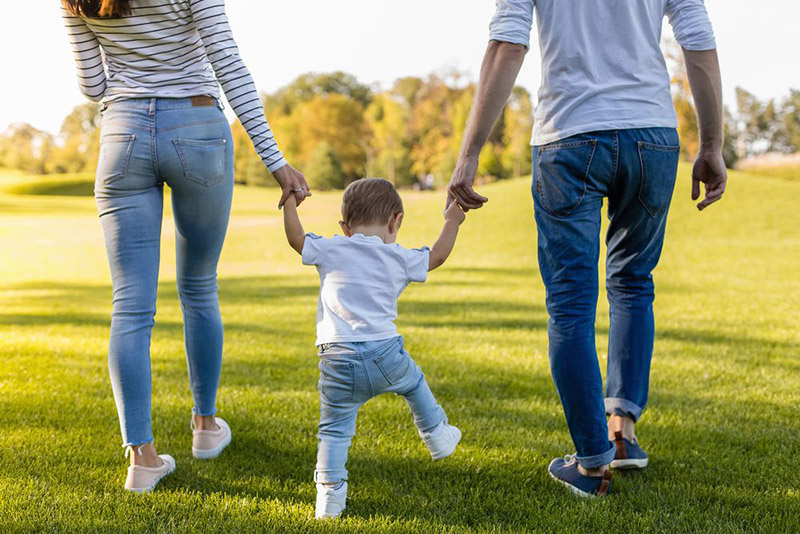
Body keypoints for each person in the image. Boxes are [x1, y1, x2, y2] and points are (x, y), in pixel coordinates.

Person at [448, 0, 727, 497]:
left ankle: (592, 464)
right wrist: (711, 145)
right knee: (633, 283)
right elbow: (698, 41)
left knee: (571, 303)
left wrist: (470, 154)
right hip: (652, 136)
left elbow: (508, 44)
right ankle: (622, 434)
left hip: (569, 137)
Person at [61, 0, 310, 492]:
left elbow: (92, 87)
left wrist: (137, 91)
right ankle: (205, 428)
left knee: (129, 307)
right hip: (197, 126)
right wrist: (276, 161)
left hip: (122, 133)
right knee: (199, 284)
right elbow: (228, 64)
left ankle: (142, 458)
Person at [282, 178, 464, 519]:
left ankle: (329, 496)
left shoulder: (331, 247)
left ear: (344, 227)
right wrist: (452, 220)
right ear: (396, 222)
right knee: (413, 383)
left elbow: (296, 239)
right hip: (385, 355)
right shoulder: (397, 256)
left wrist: (290, 203)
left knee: (334, 430)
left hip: (336, 360)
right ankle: (436, 434)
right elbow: (437, 256)